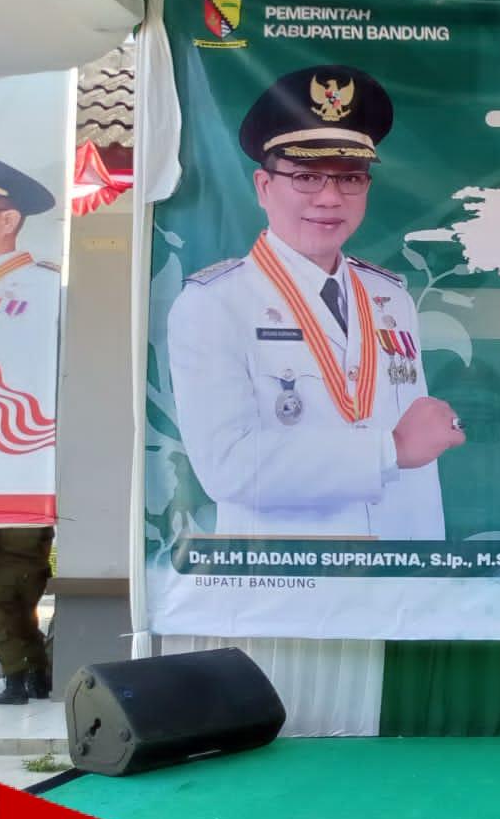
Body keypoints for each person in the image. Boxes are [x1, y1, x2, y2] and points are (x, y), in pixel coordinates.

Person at [167, 66, 463, 538]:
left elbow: (418, 471)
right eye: (306, 176)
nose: (329, 198)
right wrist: (389, 450)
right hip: (287, 573)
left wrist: (423, 561)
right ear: (264, 187)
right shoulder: (215, 304)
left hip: (397, 569)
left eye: (350, 178)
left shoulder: (390, 298)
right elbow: (228, 466)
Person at [0, 160, 61, 704]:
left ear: (8, 220)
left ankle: (22, 673)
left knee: (12, 580)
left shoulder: (43, 288)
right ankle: (26, 671)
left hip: (23, 468)